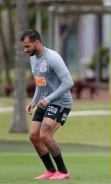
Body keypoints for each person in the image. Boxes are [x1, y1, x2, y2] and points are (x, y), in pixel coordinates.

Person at [21, 30, 74, 180]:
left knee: (45, 135)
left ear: (37, 42)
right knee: (34, 136)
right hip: (46, 101)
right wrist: (33, 101)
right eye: (24, 47)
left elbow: (69, 83)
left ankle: (63, 172)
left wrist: (48, 99)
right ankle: (50, 171)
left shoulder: (53, 58)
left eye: (27, 46)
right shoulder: (33, 58)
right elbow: (40, 83)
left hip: (61, 102)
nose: (26, 50)